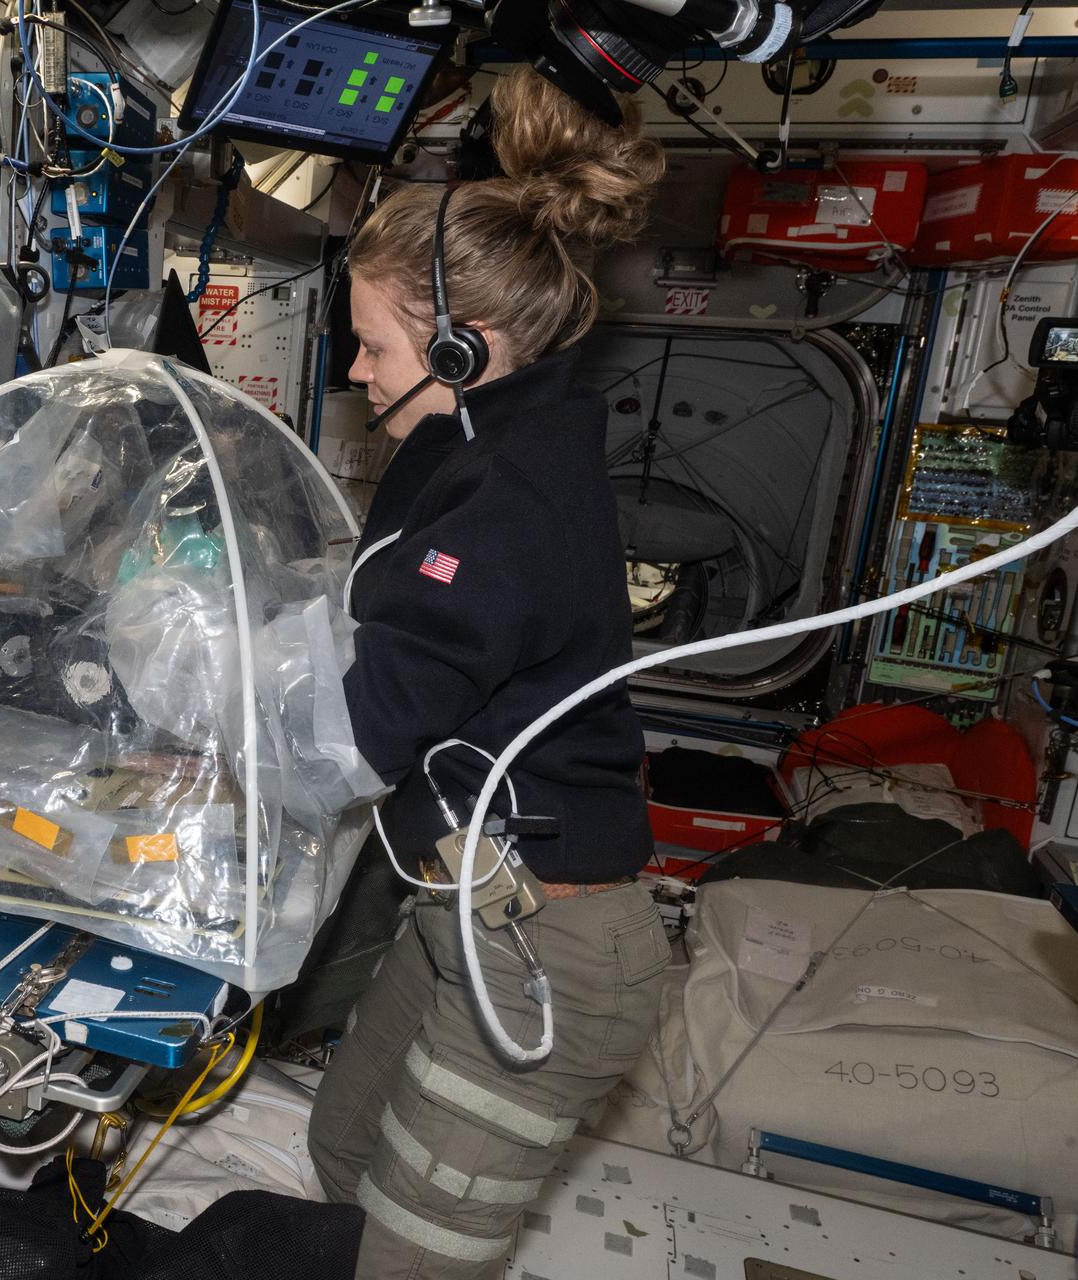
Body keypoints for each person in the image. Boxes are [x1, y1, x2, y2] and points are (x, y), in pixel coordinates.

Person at [306, 66, 671, 1277]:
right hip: (457, 898)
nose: (356, 374)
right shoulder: (477, 433)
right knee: (343, 1151)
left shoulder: (507, 498)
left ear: (466, 344)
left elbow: (370, 724)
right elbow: (385, 603)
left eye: (373, 346)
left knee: (410, 1254)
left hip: (552, 935)